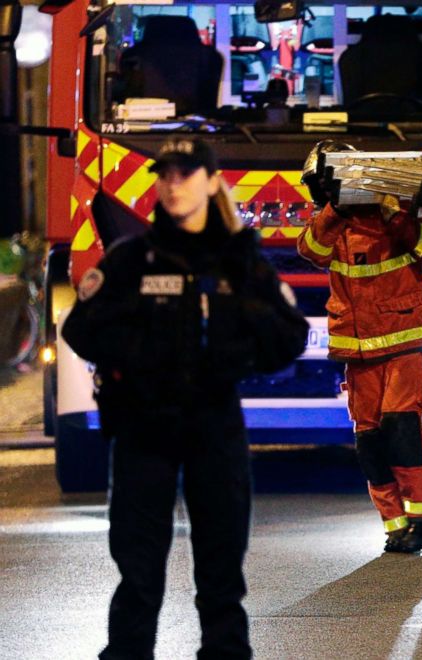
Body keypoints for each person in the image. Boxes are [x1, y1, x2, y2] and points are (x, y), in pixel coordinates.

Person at [61, 137, 309, 660]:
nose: (174, 185)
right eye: (166, 175)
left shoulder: (241, 262)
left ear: (212, 182)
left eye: (186, 174)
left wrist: (238, 346)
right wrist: (136, 356)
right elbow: (81, 328)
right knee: (139, 571)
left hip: (213, 424)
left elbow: (287, 338)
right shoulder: (132, 259)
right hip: (142, 428)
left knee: (221, 573)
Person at [297, 140, 422, 553]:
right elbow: (310, 250)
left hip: (403, 343)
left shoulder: (394, 211)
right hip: (357, 351)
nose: (331, 193)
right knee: (370, 442)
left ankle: (421, 518)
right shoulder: (331, 223)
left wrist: (394, 214)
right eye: (324, 188)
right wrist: (335, 209)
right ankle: (393, 522)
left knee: (401, 431)